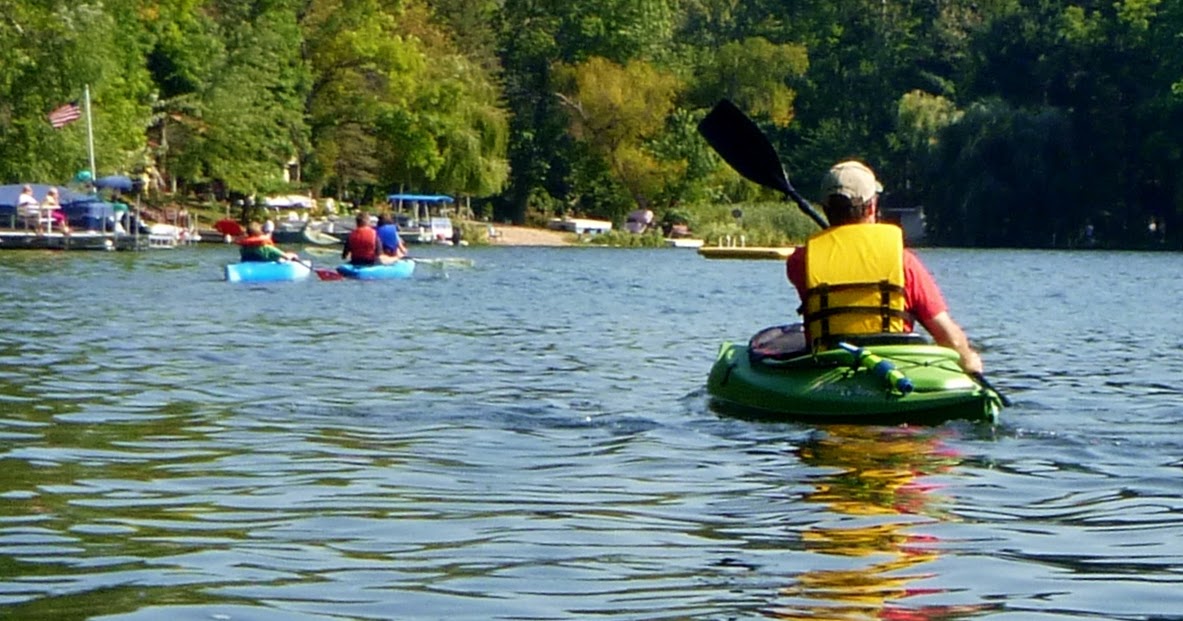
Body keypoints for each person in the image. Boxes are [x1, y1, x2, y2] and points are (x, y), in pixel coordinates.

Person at [785, 160, 983, 375]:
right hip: (894, 372)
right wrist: (969, 362)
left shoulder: (800, 262)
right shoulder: (903, 262)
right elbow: (947, 336)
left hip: (829, 368)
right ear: (872, 206)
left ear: (825, 209)